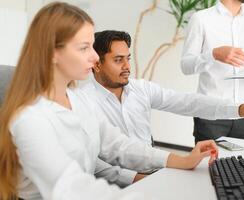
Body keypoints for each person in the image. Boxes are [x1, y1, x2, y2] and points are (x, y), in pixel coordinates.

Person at [0, 2, 220, 200]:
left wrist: (181, 160)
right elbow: (71, 187)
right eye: (84, 47)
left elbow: (119, 146)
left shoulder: (77, 101)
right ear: (52, 53)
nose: (95, 57)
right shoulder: (29, 119)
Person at [83, 30, 244, 147]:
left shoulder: (141, 89)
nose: (127, 66)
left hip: (152, 169)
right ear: (96, 64)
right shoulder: (81, 102)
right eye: (118, 60)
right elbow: (97, 162)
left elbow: (188, 102)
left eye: (128, 58)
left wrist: (239, 109)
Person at [181, 0, 244, 143]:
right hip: (211, 114)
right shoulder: (201, 19)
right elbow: (185, 66)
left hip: (243, 114)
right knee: (208, 165)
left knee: (237, 165)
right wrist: (213, 54)